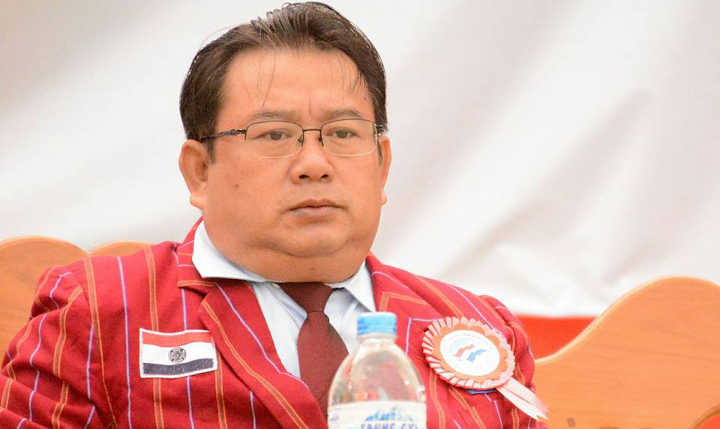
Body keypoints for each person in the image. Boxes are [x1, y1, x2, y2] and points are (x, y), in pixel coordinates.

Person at [0, 2, 544, 428]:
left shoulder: (478, 329)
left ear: (382, 165)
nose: (315, 164)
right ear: (199, 172)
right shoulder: (100, 311)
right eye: (275, 135)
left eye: (343, 133)